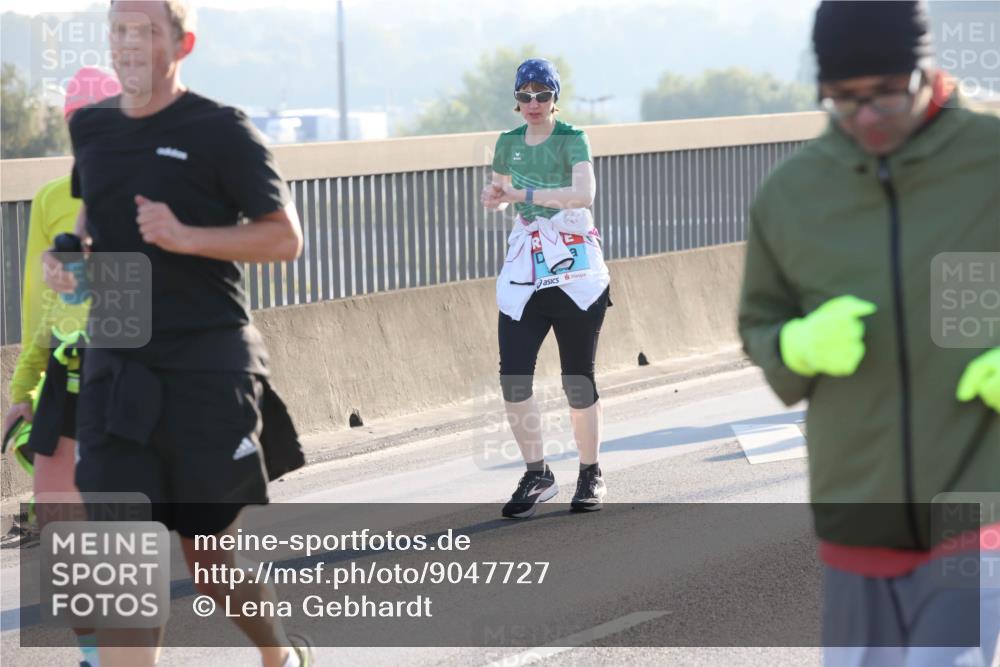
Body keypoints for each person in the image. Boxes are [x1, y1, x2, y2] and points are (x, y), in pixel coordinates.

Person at [43, 2, 310, 666]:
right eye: (118, 32)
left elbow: (285, 237)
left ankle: (280, 656)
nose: (128, 45)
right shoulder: (94, 129)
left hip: (205, 365)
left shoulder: (221, 129)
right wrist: (71, 260)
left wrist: (187, 236)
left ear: (182, 43)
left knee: (209, 556)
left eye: (145, 32)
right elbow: (92, 220)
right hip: (117, 364)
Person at [738, 2, 999, 665]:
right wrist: (794, 345)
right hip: (857, 514)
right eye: (843, 100)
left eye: (886, 93)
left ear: (925, 70)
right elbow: (759, 322)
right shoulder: (790, 196)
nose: (867, 118)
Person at [1, 65, 122, 667]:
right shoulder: (52, 198)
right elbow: (41, 302)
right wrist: (24, 386)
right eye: (79, 123)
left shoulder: (144, 191)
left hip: (128, 376)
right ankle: (95, 653)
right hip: (67, 381)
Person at [482, 58, 611, 519]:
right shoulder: (506, 143)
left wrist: (522, 196)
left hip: (574, 268)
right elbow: (499, 194)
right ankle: (538, 473)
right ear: (516, 102)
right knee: (513, 376)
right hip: (527, 269)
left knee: (578, 378)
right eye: (525, 95)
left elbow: (583, 195)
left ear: (555, 97)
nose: (533, 103)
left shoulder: (573, 139)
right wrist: (495, 199)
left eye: (542, 94)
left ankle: (590, 471)